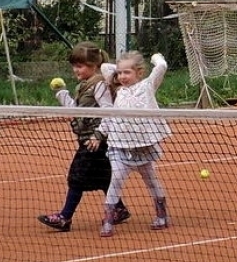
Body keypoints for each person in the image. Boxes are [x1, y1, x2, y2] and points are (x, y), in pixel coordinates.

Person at [36, 41, 130, 233]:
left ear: (94, 66)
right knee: (103, 177)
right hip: (88, 139)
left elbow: (108, 111)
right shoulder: (83, 86)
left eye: (80, 66)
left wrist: (98, 135)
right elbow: (77, 111)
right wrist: (62, 94)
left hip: (95, 141)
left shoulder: (100, 85)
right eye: (74, 66)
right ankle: (119, 209)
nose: (75, 70)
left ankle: (65, 217)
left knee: (76, 177)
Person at [96, 50, 172, 238]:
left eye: (127, 73)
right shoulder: (118, 90)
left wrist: (156, 57)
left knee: (152, 181)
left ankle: (161, 215)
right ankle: (108, 220)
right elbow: (105, 67)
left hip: (143, 147)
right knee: (116, 180)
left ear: (139, 73)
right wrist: (122, 67)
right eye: (120, 73)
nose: (122, 76)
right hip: (120, 146)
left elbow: (161, 67)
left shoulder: (148, 86)